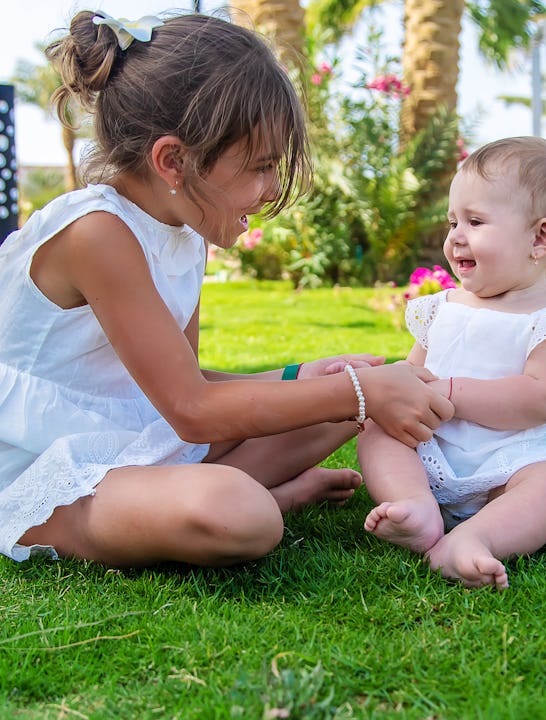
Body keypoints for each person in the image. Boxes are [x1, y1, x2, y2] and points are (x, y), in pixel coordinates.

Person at [0, 11, 453, 567]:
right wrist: (361, 390)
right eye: (261, 167)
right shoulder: (98, 233)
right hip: (37, 462)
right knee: (242, 512)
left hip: (127, 432)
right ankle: (236, 500)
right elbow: (191, 410)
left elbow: (183, 379)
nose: (269, 190)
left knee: (341, 408)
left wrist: (301, 379)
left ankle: (192, 500)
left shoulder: (183, 229)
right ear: (174, 160)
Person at [358, 136, 546, 590]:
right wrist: (395, 387)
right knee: (378, 429)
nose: (455, 237)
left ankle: (474, 537)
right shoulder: (442, 308)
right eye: (453, 222)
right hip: (432, 452)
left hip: (513, 462)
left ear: (540, 238)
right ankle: (416, 506)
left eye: (476, 221)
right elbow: (414, 375)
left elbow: (540, 399)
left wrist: (450, 392)